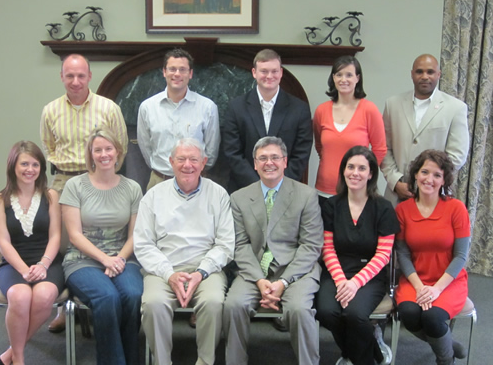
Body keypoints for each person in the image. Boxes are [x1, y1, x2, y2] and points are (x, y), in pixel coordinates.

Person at [40, 53, 128, 332]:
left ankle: (102, 292)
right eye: (69, 76)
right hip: (64, 182)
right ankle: (65, 308)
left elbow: (120, 146)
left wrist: (102, 174)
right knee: (63, 246)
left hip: (100, 181)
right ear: (62, 77)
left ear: (90, 76)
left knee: (102, 240)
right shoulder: (50, 110)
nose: (75, 81)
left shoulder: (108, 108)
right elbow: (48, 147)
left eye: (81, 75)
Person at [134, 138, 234, 365]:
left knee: (213, 302)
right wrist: (169, 274)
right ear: (171, 162)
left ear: (204, 162)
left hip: (206, 269)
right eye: (181, 159)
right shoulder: (153, 196)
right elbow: (143, 244)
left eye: (193, 159)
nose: (187, 165)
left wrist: (201, 272)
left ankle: (205, 362)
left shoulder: (219, 195)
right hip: (164, 269)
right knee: (153, 304)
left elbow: (225, 244)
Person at [223, 136, 323, 365]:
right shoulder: (238, 198)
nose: (269, 163)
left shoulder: (306, 195)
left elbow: (311, 245)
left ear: (285, 161)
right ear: (255, 164)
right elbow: (240, 245)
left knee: (298, 310)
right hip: (254, 270)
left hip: (296, 270)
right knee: (233, 305)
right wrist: (260, 281)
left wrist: (283, 283)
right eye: (263, 158)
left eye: (275, 157)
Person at [60, 127, 143, 365]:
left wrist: (118, 259)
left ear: (118, 152)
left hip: (122, 257)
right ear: (91, 154)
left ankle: (130, 359)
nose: (104, 154)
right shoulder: (75, 186)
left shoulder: (132, 188)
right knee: (107, 297)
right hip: (82, 259)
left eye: (109, 149)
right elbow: (74, 235)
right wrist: (105, 259)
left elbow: (135, 236)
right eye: (98, 150)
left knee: (134, 294)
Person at [315, 146, 400, 365]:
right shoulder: (331, 205)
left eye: (362, 168)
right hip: (337, 273)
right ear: (343, 171)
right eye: (350, 167)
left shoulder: (383, 207)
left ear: (371, 174)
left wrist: (355, 284)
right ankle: (371, 351)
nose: (355, 172)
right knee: (326, 312)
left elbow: (383, 254)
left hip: (370, 274)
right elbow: (328, 249)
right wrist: (342, 280)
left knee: (354, 314)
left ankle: (361, 360)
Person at [0, 141, 63, 365]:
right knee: (19, 297)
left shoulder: (51, 196)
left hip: (48, 262)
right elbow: (3, 242)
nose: (29, 169)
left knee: (42, 297)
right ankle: (19, 358)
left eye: (35, 164)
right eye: (24, 164)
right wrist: (23, 270)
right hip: (14, 265)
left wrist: (42, 265)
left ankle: (9, 355)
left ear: (41, 168)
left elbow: (56, 237)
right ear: (13, 166)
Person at [395, 150, 470, 365]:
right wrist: (420, 287)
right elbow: (402, 253)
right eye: (424, 172)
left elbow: (461, 255)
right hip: (415, 279)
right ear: (415, 175)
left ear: (444, 179)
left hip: (448, 281)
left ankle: (445, 359)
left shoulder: (456, 208)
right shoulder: (402, 210)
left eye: (437, 175)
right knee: (408, 313)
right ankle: (448, 345)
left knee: (433, 317)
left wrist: (436, 289)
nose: (430, 179)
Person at [381, 54, 469, 205]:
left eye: (430, 72)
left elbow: (457, 155)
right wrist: (395, 182)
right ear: (411, 74)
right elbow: (383, 148)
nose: (424, 76)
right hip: (397, 195)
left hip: (434, 195)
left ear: (439, 74)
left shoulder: (455, 108)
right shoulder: (392, 104)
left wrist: (430, 182)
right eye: (419, 71)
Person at [223, 49, 313, 192]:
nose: (269, 76)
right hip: (244, 189)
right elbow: (232, 152)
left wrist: (278, 184)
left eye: (274, 71)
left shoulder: (299, 109)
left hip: (286, 190)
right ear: (254, 73)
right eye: (264, 71)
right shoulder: (236, 107)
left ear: (281, 73)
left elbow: (301, 153)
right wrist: (258, 185)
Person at [137, 48, 220, 190]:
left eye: (182, 69)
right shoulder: (147, 107)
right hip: (159, 181)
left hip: (196, 182)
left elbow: (211, 152)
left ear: (190, 74)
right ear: (164, 72)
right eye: (172, 69)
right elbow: (146, 148)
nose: (177, 74)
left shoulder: (207, 107)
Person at [313, 56, 386, 208]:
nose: (343, 79)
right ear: (333, 78)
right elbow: (320, 147)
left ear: (357, 78)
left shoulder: (369, 110)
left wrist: (363, 176)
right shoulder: (321, 110)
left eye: (349, 75)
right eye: (339, 74)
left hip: (356, 192)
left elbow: (379, 149)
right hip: (324, 190)